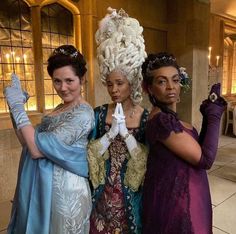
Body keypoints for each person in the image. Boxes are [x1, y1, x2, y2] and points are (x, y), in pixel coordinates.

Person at [3, 45, 95, 234]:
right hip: (41, 189)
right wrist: (14, 110)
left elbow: (36, 150)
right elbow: (26, 143)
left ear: (82, 79)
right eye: (57, 81)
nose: (63, 88)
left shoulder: (83, 114)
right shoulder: (58, 109)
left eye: (69, 80)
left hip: (65, 195)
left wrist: (19, 107)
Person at [141, 52, 227, 234]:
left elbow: (198, 150)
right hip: (179, 205)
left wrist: (206, 118)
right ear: (148, 87)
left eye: (175, 79)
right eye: (162, 81)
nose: (171, 87)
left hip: (191, 193)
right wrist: (214, 114)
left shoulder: (169, 118)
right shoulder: (161, 121)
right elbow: (206, 159)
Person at [88, 7, 148, 234]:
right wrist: (111, 134)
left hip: (131, 199)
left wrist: (125, 135)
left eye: (119, 83)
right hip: (102, 198)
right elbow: (92, 155)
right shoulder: (99, 113)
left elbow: (145, 162)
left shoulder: (144, 117)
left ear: (131, 82)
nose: (113, 90)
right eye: (109, 83)